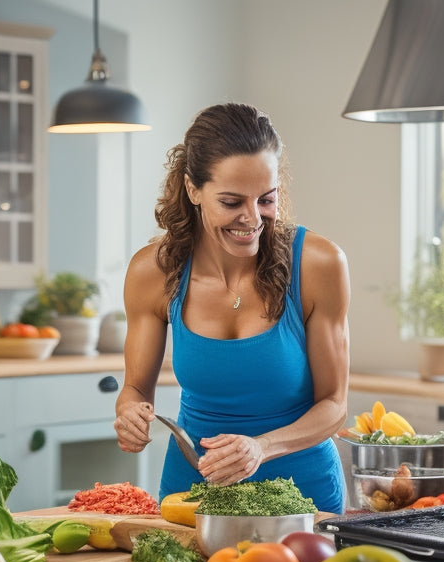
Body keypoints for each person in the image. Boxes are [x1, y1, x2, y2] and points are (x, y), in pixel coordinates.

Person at [113, 103, 350, 514]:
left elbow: (335, 405)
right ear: (192, 190)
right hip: (193, 493)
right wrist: (129, 413)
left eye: (266, 199)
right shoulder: (153, 271)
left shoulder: (318, 264)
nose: (252, 218)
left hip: (303, 495)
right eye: (231, 201)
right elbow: (135, 389)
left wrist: (262, 447)